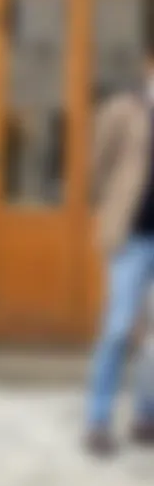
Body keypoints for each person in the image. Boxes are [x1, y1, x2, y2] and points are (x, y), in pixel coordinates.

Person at [85, 48, 154, 455]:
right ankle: (98, 420)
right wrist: (111, 211)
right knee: (117, 329)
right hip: (131, 238)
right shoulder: (123, 110)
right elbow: (99, 166)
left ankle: (146, 415)